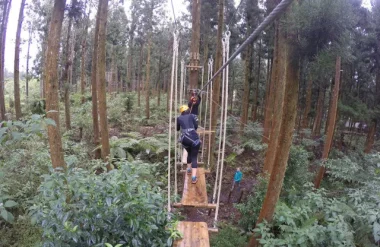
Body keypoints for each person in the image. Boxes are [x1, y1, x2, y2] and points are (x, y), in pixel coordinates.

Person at [177, 105, 201, 184]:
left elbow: (178, 129)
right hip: (194, 139)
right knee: (194, 156)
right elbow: (196, 126)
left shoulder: (179, 118)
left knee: (189, 153)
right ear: (187, 110)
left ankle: (188, 169)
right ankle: (193, 178)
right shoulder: (191, 116)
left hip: (185, 139)